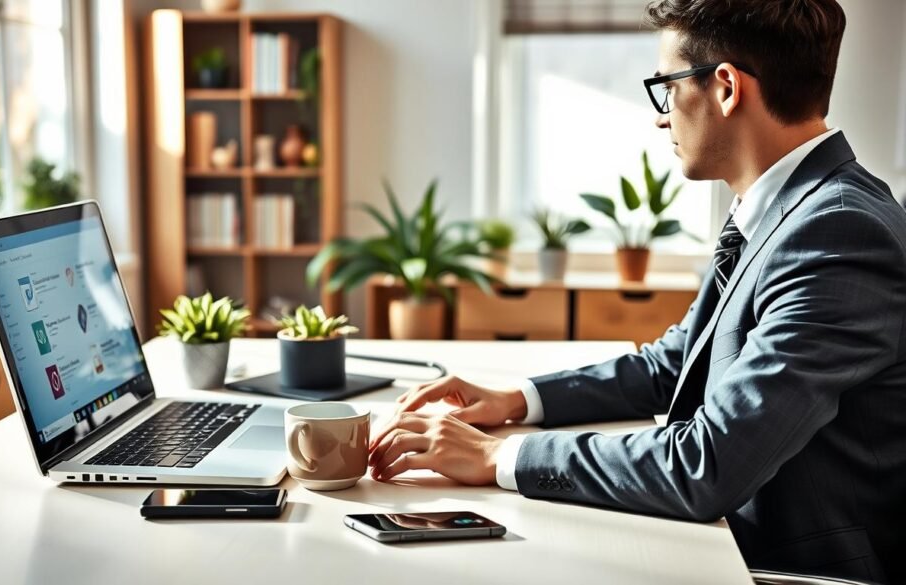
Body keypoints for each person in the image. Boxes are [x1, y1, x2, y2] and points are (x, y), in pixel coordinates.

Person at [367, 1, 906, 582]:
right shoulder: (786, 209)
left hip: (788, 566)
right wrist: (516, 401)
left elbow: (708, 464)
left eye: (666, 87)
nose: (660, 116)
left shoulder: (838, 233)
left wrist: (498, 455)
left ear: (725, 88)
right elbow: (677, 362)